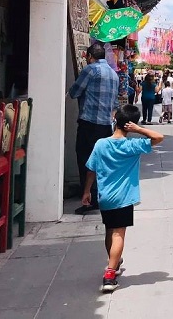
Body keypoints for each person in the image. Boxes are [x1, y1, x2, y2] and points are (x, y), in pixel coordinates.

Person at [82, 104, 164, 292]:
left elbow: (91, 170)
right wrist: (139, 129)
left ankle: (115, 262)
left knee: (109, 231)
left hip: (105, 197)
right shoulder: (132, 146)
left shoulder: (100, 144)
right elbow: (159, 137)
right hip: (124, 197)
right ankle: (110, 274)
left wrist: (87, 191)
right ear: (131, 124)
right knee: (119, 233)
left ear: (115, 119)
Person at [69, 42, 119, 216]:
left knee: (85, 160)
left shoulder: (90, 70)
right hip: (106, 124)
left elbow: (74, 92)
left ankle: (88, 198)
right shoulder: (114, 74)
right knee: (101, 162)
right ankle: (101, 196)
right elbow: (115, 103)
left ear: (90, 57)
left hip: (90, 123)